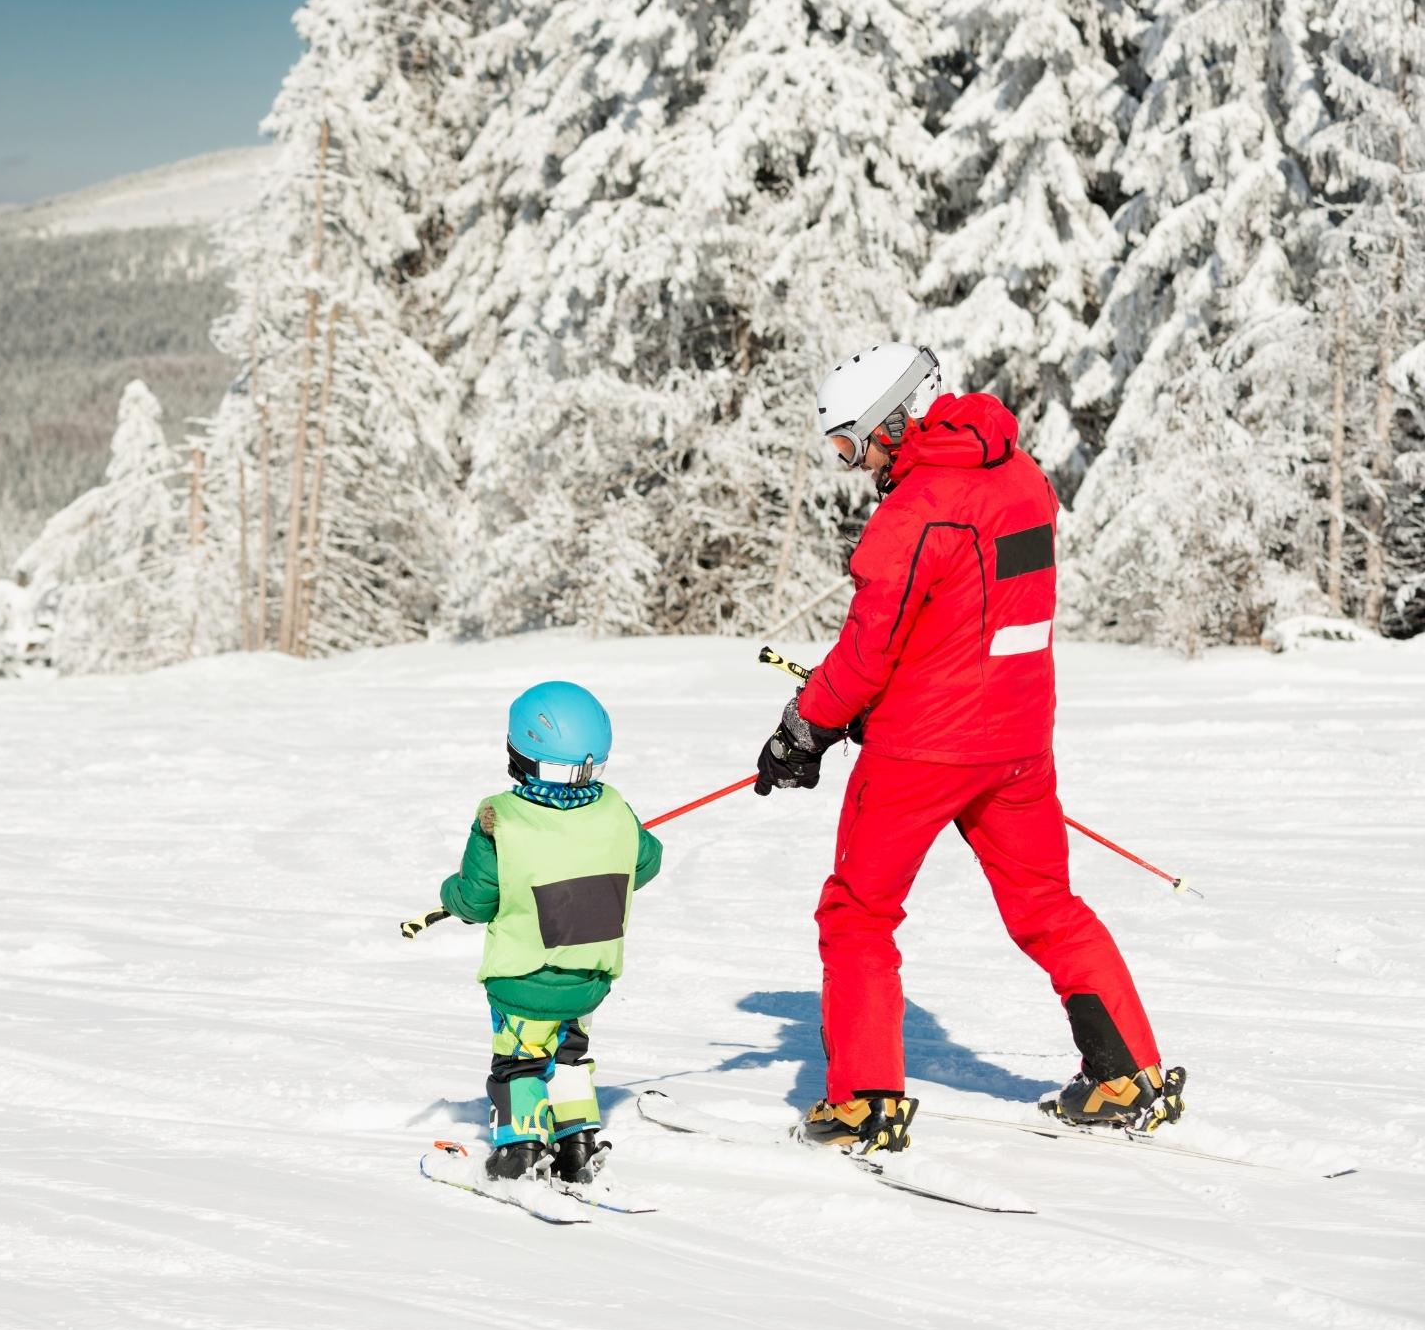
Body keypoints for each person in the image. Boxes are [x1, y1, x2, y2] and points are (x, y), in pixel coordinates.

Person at [754, 343, 1185, 1154]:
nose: (852, 465)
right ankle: (1128, 1073)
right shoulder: (1022, 477)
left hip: (921, 754)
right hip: (1017, 744)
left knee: (857, 915)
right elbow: (971, 614)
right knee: (1047, 907)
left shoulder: (916, 509)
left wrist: (804, 727)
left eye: (851, 444)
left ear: (895, 421)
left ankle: (863, 1102)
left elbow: (869, 648)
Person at [438, 681, 664, 1183]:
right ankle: (576, 1143)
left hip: (524, 977)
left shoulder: (501, 820)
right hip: (588, 977)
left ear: (517, 754)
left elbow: (476, 900)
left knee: (520, 1060)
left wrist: (448, 894)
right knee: (568, 1051)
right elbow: (646, 863)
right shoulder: (614, 809)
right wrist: (609, 837)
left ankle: (518, 1148)